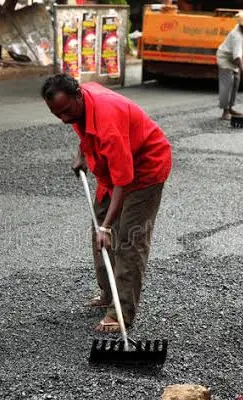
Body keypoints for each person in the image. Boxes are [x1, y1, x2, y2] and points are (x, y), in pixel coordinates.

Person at [41, 74, 172, 333]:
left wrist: (109, 226)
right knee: (98, 230)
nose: (64, 119)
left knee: (129, 240)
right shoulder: (80, 103)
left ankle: (121, 313)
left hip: (145, 169)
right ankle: (108, 294)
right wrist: (82, 153)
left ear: (78, 95)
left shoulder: (108, 118)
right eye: (58, 115)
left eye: (66, 111)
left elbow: (125, 179)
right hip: (111, 170)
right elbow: (84, 129)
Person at [216, 11, 243, 121]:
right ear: (240, 25)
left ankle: (231, 108)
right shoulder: (236, 35)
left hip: (236, 59)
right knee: (227, 84)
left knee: (235, 84)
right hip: (225, 58)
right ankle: (225, 111)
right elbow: (237, 57)